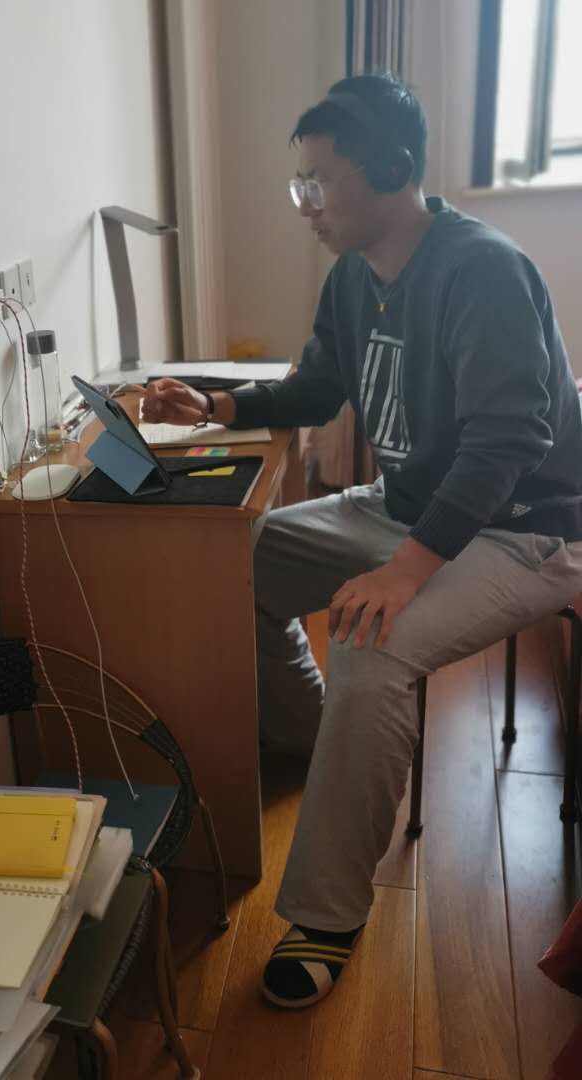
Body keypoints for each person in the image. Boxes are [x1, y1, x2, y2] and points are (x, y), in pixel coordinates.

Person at [142, 72, 582, 1009]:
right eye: (297, 183)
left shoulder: (482, 271)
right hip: (409, 505)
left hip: (525, 530)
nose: (305, 204)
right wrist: (212, 404)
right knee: (235, 562)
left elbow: (511, 440)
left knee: (370, 643)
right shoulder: (352, 276)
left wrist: (405, 573)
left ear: (389, 167)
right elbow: (315, 388)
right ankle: (317, 739)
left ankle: (328, 913)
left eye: (319, 182)